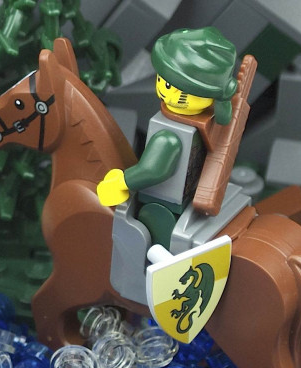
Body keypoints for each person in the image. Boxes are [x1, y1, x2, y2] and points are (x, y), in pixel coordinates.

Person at [95, 26, 241, 249]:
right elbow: (224, 118)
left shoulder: (169, 136)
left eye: (175, 87)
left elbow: (153, 170)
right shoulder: (207, 121)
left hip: (162, 206)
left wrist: (121, 182)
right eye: (163, 81)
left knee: (142, 244)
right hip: (190, 197)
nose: (166, 91)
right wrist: (223, 98)